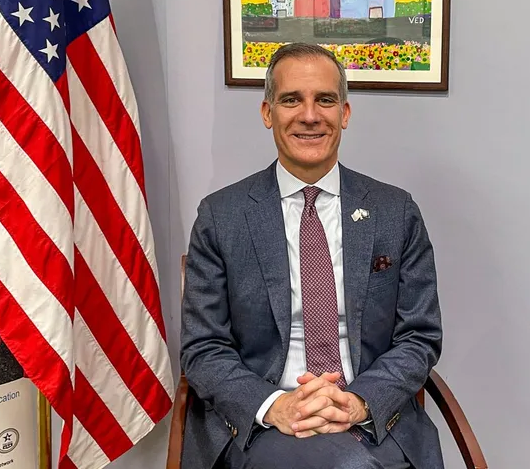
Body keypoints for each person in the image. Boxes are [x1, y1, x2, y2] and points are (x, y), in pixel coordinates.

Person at [180, 43, 444, 469]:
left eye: (324, 99)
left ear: (345, 113)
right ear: (268, 114)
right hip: (264, 422)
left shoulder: (395, 212)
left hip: (373, 415)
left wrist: (358, 401)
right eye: (291, 100)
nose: (309, 115)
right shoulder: (221, 216)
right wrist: (274, 406)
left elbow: (420, 335)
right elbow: (204, 348)